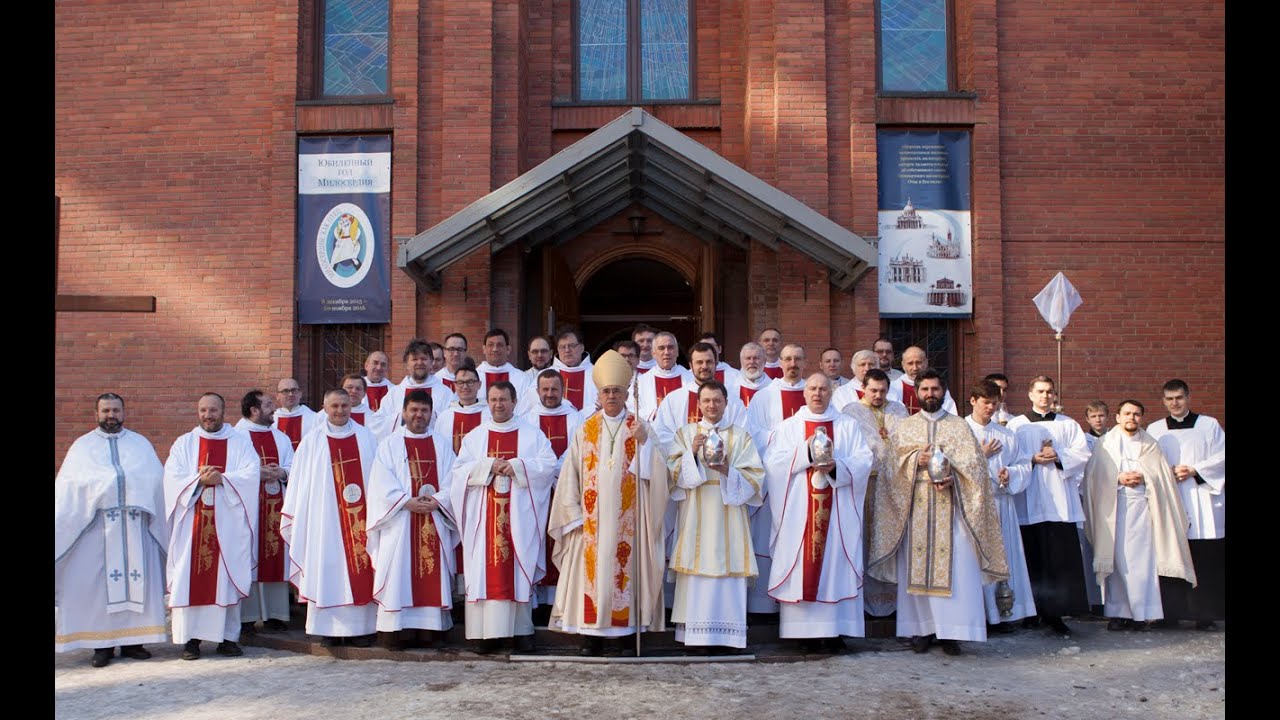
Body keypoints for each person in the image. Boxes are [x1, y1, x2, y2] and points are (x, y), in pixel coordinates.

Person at [869, 370, 1009, 656]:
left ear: (944, 392)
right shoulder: (906, 428)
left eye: (935, 389)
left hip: (952, 507)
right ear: (917, 393)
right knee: (916, 569)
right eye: (925, 389)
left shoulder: (958, 427)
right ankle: (921, 630)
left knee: (955, 570)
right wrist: (912, 459)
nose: (930, 394)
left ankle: (951, 633)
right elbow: (887, 469)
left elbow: (976, 469)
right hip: (916, 506)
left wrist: (953, 478)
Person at [548, 350, 669, 656]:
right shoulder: (585, 429)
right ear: (598, 394)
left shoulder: (640, 426)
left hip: (629, 522)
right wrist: (574, 515)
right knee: (591, 578)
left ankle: (626, 638)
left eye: (617, 390)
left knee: (623, 575)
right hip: (590, 523)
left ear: (627, 392)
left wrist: (646, 444)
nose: (612, 395)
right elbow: (569, 475)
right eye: (606, 391)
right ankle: (591, 638)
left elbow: (660, 474)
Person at [55, 393, 168, 668]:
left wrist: (132, 489)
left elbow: (155, 479)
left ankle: (134, 642)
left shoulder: (140, 444)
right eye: (105, 410)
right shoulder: (82, 447)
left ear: (124, 413)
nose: (111, 415)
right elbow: (70, 486)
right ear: (97, 414)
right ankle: (101, 645)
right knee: (97, 590)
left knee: (140, 585)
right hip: (95, 529)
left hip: (136, 526)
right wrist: (106, 487)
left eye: (115, 410)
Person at [763, 373, 873, 653]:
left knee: (834, 563)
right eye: (812, 388)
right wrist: (807, 455)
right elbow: (773, 464)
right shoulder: (789, 428)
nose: (817, 393)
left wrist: (837, 467)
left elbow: (863, 461)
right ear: (804, 392)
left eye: (823, 388)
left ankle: (836, 632)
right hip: (799, 513)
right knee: (803, 565)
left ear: (831, 392)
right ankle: (802, 634)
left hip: (838, 514)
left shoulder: (848, 426)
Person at [444, 381, 556, 653]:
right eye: (493, 399)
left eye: (503, 399)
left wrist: (517, 466)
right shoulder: (476, 436)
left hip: (518, 519)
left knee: (517, 572)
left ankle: (520, 632)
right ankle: (484, 635)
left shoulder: (532, 435)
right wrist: (487, 465)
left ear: (514, 401)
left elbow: (548, 465)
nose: (498, 405)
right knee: (484, 572)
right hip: (484, 523)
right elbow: (458, 472)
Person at [666, 381, 763, 653]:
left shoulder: (740, 436)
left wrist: (726, 470)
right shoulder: (686, 434)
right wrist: (692, 455)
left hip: (729, 513)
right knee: (698, 570)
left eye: (717, 400)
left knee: (727, 568)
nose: (711, 405)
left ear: (726, 403)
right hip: (696, 513)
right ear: (698, 404)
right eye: (706, 400)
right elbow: (671, 474)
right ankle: (697, 638)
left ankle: (728, 638)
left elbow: (755, 476)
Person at [1083, 399, 1196, 631]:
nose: (1131, 418)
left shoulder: (1150, 445)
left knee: (1142, 564)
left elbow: (1162, 477)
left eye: (1136, 414)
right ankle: (1117, 614)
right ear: (1117, 417)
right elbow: (1092, 479)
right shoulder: (1105, 444)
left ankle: (1142, 614)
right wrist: (1118, 478)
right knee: (1117, 561)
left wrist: (1145, 476)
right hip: (1113, 510)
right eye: (1126, 413)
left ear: (1141, 418)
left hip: (1143, 510)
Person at [280, 388, 381, 648]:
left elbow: (377, 479)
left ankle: (363, 629)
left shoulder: (366, 437)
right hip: (323, 521)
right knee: (325, 568)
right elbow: (300, 486)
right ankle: (328, 630)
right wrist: (302, 518)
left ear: (351, 406)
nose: (339, 411)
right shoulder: (312, 441)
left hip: (360, 519)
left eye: (344, 406)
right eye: (334, 406)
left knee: (362, 567)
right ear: (325, 408)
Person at [163, 393, 260, 660]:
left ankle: (227, 639)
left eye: (213, 410)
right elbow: (171, 476)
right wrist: (198, 480)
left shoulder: (239, 443)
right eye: (204, 410)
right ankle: (190, 641)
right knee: (188, 578)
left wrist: (223, 479)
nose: (208, 415)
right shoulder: (185, 443)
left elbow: (251, 473)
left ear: (223, 411)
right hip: (191, 526)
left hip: (227, 527)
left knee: (224, 580)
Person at [366, 389, 459, 649]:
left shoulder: (441, 444)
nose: (419, 415)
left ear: (432, 413)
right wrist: (406, 501)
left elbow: (454, 479)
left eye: (424, 411)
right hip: (400, 521)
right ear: (404, 412)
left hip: (433, 517)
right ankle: (395, 632)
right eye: (414, 410)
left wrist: (437, 500)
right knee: (398, 573)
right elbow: (380, 483)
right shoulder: (389, 444)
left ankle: (430, 631)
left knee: (431, 574)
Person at [1006, 376, 1092, 637]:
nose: (1045, 396)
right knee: (1031, 557)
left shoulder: (1068, 425)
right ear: (1030, 394)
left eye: (1049, 392)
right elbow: (1010, 457)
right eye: (1040, 392)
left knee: (1059, 559)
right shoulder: (1016, 425)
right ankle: (1031, 611)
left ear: (1054, 396)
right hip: (1028, 501)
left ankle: (1056, 613)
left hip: (1059, 502)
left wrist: (1058, 456)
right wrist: (1032, 458)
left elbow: (1082, 454)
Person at [1145, 379, 1225, 630]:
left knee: (1205, 556)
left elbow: (1222, 455)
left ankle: (1205, 615)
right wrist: (1166, 471)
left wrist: (1195, 469)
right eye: (1169, 399)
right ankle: (1170, 614)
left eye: (1179, 397)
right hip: (1169, 497)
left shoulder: (1209, 425)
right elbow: (1147, 461)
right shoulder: (1156, 429)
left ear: (1188, 397)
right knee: (1171, 553)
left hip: (1202, 497)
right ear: (1163, 401)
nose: (1174, 403)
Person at [964, 379, 1035, 632]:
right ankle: (980, 615)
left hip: (1002, 503)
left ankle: (1005, 613)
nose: (990, 408)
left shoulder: (1007, 434)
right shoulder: (961, 430)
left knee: (1005, 558)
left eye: (995, 403)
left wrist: (1012, 474)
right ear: (973, 400)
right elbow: (952, 465)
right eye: (986, 403)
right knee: (977, 560)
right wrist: (979, 456)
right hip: (974, 506)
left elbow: (1024, 463)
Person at [841, 369, 908, 617]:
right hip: (864, 487)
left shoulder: (899, 411)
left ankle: (893, 602)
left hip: (893, 486)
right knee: (865, 538)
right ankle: (863, 599)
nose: (878, 395)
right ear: (863, 389)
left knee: (890, 538)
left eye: (882, 391)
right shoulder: (851, 412)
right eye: (873, 390)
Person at [234, 390, 295, 635]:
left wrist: (281, 473)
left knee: (275, 556)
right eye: (269, 405)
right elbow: (232, 470)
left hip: (275, 505)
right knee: (247, 557)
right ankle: (246, 617)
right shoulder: (236, 437)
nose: (274, 409)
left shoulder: (280, 438)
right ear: (254, 410)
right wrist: (255, 474)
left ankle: (275, 614)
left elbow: (293, 465)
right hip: (248, 509)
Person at [523, 369, 585, 608]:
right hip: (537, 492)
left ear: (563, 390)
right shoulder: (527, 419)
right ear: (537, 391)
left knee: (566, 540)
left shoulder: (576, 418)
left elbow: (579, 450)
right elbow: (527, 454)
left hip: (567, 488)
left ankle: (563, 601)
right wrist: (547, 470)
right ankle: (537, 601)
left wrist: (557, 469)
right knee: (536, 542)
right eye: (545, 389)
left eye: (554, 389)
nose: (549, 394)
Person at [385, 338, 457, 427]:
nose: (419, 363)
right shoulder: (394, 393)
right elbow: (379, 423)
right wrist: (402, 416)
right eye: (415, 359)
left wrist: (432, 415)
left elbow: (453, 422)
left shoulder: (446, 393)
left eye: (424, 359)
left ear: (431, 362)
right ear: (406, 364)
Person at [632, 331, 692, 421]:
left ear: (677, 352)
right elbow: (631, 409)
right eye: (661, 348)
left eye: (670, 347)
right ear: (653, 353)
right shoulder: (641, 382)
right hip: (652, 432)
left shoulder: (691, 378)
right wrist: (653, 414)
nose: (666, 352)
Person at [433, 363, 491, 454]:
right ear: (455, 385)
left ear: (479, 384)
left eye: (470, 382)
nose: (465, 387)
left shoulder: (489, 415)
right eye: (460, 382)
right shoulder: (445, 417)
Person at [887, 346, 957, 415]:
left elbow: (949, 413)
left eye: (919, 363)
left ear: (926, 362)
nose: (915, 368)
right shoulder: (894, 387)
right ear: (903, 365)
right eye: (910, 363)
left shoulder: (938, 386)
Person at [477, 328, 531, 405]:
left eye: (500, 345)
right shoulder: (474, 377)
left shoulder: (522, 378)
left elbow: (526, 407)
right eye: (490, 345)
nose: (495, 349)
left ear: (508, 349)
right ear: (484, 349)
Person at [552, 328, 598, 413]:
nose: (567, 350)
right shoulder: (546, 375)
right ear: (558, 350)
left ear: (582, 348)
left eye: (572, 346)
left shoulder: (597, 374)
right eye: (562, 347)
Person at [273, 378, 318, 451]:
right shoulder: (272, 420)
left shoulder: (314, 418)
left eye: (294, 390)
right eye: (285, 391)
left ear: (300, 393)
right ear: (277, 396)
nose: (290, 394)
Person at [736, 342, 769, 408]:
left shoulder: (771, 387)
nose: (752, 362)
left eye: (756, 358)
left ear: (765, 361)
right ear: (741, 361)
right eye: (748, 358)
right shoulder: (732, 386)